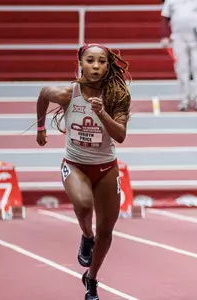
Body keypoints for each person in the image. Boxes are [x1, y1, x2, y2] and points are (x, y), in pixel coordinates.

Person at [36, 43, 131, 300]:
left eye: (101, 62)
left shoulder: (117, 96)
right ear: (81, 63)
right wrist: (41, 129)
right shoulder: (69, 93)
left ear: (108, 65)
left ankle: (91, 278)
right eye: (90, 61)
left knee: (107, 232)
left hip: (106, 167)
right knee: (84, 204)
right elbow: (44, 93)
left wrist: (103, 114)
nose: (96, 66)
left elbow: (120, 136)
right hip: (75, 164)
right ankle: (86, 236)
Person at [160, 0, 197, 111]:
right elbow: (165, 18)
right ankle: (184, 100)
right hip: (178, 37)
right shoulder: (170, 1)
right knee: (181, 68)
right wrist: (164, 36)